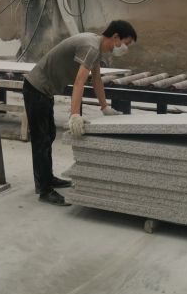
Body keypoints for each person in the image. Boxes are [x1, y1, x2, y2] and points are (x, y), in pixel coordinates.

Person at [22, 20, 138, 206]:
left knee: (49, 135)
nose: (125, 48)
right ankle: (44, 190)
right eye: (126, 43)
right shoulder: (91, 47)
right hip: (36, 88)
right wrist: (74, 115)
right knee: (41, 141)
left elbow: (96, 79)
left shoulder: (96, 47)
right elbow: (79, 82)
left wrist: (105, 107)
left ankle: (48, 178)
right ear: (115, 37)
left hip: (44, 91)